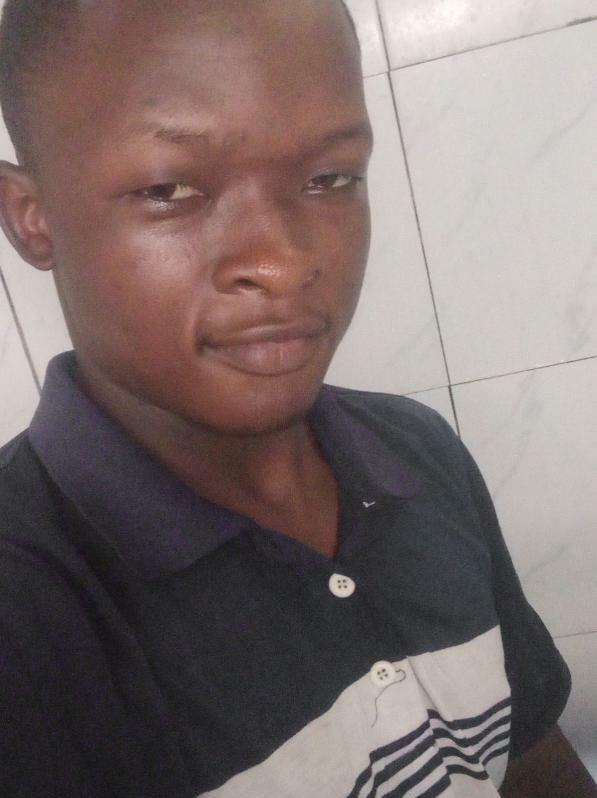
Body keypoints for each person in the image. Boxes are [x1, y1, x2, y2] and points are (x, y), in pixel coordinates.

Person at [0, 1, 594, 796]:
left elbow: (530, 760)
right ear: (32, 219)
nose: (282, 261)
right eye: (171, 188)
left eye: (329, 179)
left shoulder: (416, 450)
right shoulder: (28, 622)